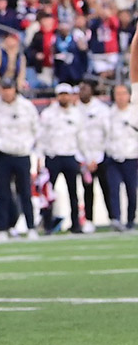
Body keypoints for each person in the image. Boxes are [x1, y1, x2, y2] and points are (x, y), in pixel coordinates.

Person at [0, 78, 39, 239]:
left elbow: (35, 129)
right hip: (3, 154)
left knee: (25, 192)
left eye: (9, 89)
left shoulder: (26, 107)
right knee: (3, 193)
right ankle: (2, 228)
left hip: (22, 153)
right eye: (4, 89)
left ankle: (31, 226)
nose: (7, 92)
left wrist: (31, 148)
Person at [37, 84, 84, 235]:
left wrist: (84, 157)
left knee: (73, 192)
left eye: (66, 94)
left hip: (71, 155)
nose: (64, 97)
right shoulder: (48, 114)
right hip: (53, 156)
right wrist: (39, 156)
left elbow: (82, 137)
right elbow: (41, 136)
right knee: (48, 193)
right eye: (61, 94)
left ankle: (76, 224)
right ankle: (47, 224)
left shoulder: (77, 114)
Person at [77, 82, 110, 231]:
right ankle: (88, 219)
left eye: (86, 88)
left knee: (107, 188)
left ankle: (113, 217)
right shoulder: (75, 109)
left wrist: (97, 157)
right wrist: (85, 158)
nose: (83, 91)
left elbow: (108, 134)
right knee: (87, 190)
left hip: (100, 156)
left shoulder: (102, 109)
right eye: (81, 88)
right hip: (83, 157)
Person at [106, 84, 138, 231]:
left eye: (123, 93)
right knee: (113, 188)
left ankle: (130, 219)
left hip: (132, 157)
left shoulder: (134, 113)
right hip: (113, 157)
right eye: (117, 93)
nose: (120, 97)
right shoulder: (108, 114)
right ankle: (116, 219)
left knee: (131, 190)